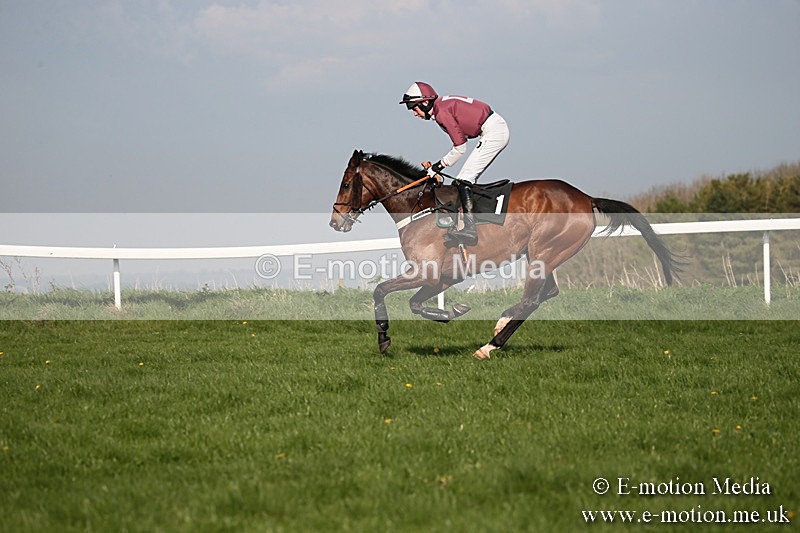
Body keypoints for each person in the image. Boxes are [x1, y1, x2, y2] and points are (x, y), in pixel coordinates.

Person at [399, 81, 510, 246]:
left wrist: (438, 167)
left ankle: (470, 230)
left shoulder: (441, 112)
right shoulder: (440, 107)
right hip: (492, 128)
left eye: (413, 108)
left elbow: (460, 147)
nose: (414, 113)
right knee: (462, 180)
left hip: (493, 132)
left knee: (464, 180)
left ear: (424, 102)